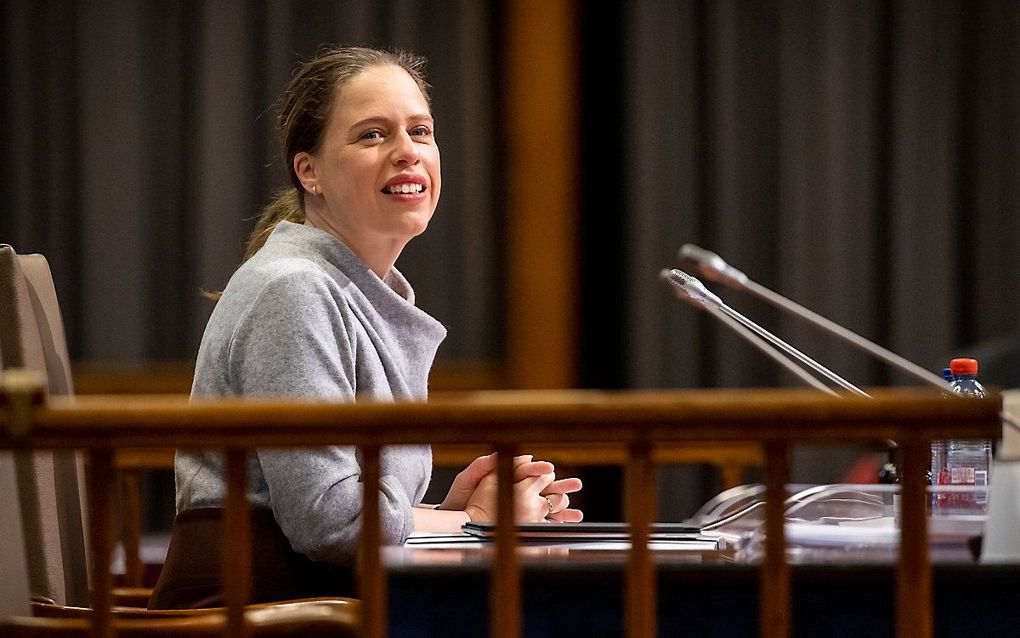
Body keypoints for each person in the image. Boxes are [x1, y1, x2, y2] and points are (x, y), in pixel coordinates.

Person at [149, 46, 582, 609]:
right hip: (251, 615)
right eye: (373, 135)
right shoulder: (294, 288)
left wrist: (447, 518)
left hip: (312, 606)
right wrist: (475, 522)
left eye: (420, 132)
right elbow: (329, 525)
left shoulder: (362, 290)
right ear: (310, 171)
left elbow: (343, 512)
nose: (407, 152)